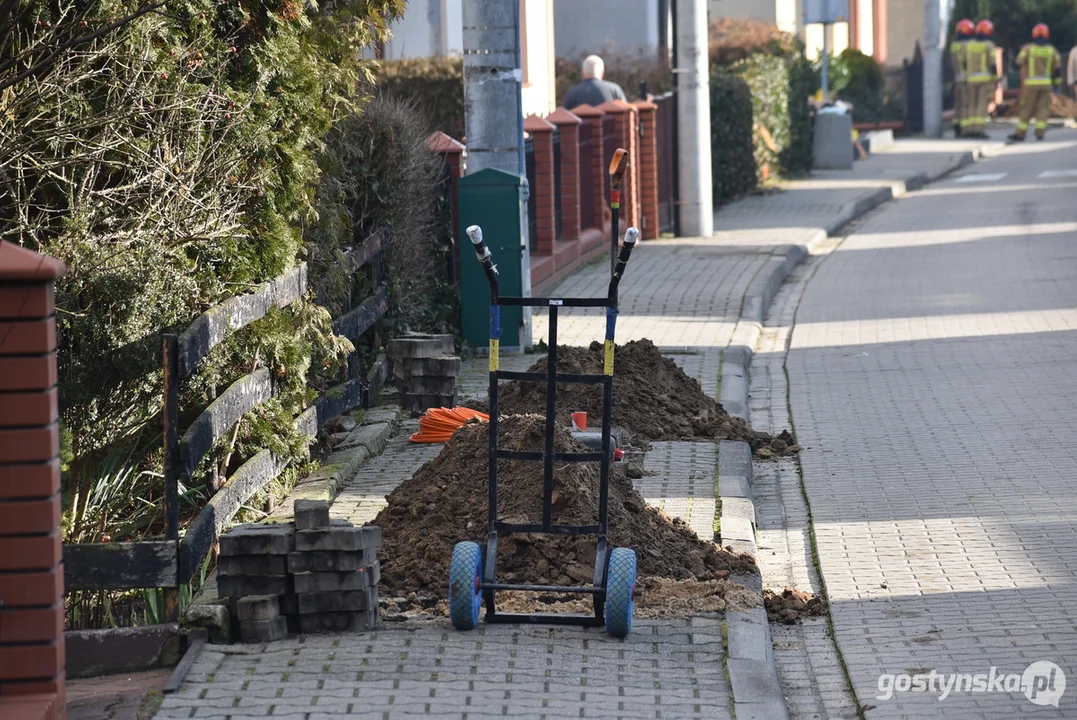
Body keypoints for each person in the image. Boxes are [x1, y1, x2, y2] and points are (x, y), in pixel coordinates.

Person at [1009, 24, 1062, 142]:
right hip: (1046, 84)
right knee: (1043, 109)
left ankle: (1020, 134)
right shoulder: (1052, 50)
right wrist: (1057, 84)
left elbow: (1017, 63)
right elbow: (1057, 70)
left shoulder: (1028, 49)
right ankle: (1040, 132)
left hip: (1031, 84)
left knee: (1026, 108)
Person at [964, 19, 999, 138]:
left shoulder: (970, 45)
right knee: (981, 104)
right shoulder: (989, 46)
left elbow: (965, 62)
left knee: (971, 104)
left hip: (970, 80)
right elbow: (993, 65)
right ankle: (979, 130)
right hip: (984, 80)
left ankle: (969, 130)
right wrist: (996, 79)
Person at [561, 55, 627, 110]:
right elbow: (625, 113)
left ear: (583, 72)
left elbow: (565, 119)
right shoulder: (614, 90)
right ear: (602, 72)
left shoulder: (572, 93)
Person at [951, 18, 976, 136]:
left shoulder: (954, 46)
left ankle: (956, 124)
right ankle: (966, 129)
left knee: (958, 104)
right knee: (966, 104)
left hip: (957, 78)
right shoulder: (969, 46)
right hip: (967, 79)